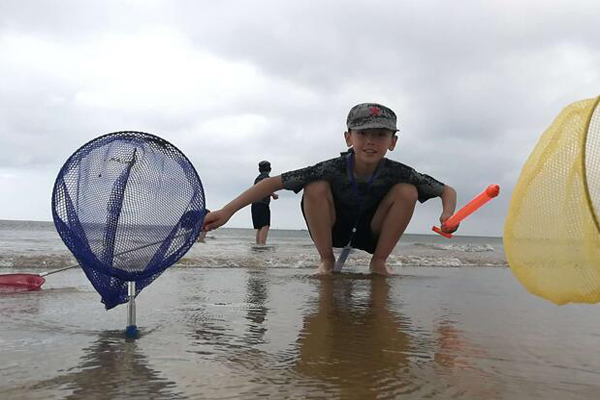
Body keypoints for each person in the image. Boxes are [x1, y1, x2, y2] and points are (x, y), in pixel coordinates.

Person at [203, 102, 457, 276]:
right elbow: (271, 183)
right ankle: (326, 260)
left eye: (380, 134)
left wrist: (448, 215)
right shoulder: (331, 168)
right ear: (348, 138)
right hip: (333, 230)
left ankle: (378, 263)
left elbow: (447, 190)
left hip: (373, 233)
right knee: (314, 186)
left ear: (393, 142)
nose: (370, 141)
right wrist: (227, 212)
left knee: (407, 190)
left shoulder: (399, 171)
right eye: (362, 133)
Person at [251, 161, 278, 244]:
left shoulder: (257, 179)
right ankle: (262, 244)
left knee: (259, 227)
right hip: (262, 204)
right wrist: (273, 195)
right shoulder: (267, 178)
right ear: (269, 169)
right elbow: (266, 189)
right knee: (265, 225)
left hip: (254, 205)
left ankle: (258, 245)